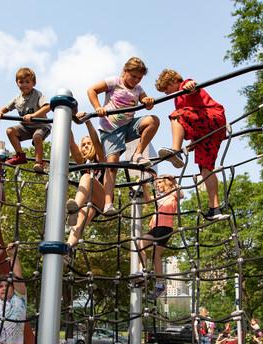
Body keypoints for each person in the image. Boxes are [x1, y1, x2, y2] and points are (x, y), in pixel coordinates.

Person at [87, 57, 161, 216]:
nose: (136, 80)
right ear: (124, 72)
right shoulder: (114, 81)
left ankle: (138, 153)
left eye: (139, 78)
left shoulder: (139, 89)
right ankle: (108, 203)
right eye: (133, 76)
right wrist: (98, 107)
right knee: (112, 164)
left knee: (153, 121)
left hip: (128, 126)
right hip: (111, 129)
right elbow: (91, 90)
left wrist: (148, 101)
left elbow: (147, 103)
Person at [154, 69, 230, 221]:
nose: (166, 93)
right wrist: (191, 144)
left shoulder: (184, 86)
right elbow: (191, 120)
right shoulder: (177, 99)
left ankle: (175, 151)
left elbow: (192, 87)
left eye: (166, 89)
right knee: (205, 167)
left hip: (212, 117)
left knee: (176, 115)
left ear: (172, 82)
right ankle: (214, 208)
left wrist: (190, 85)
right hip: (207, 132)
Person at [0, 67, 51, 172]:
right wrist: (0, 112)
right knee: (10, 131)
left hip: (41, 126)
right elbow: (7, 107)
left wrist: (34, 115)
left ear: (33, 83)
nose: (24, 84)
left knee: (37, 136)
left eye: (27, 82)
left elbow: (47, 106)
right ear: (17, 83)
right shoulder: (18, 98)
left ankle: (39, 162)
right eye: (21, 82)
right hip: (25, 127)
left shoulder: (37, 94)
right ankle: (20, 155)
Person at [65, 114, 107, 252]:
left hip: (103, 200)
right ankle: (68, 249)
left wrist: (87, 121)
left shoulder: (101, 159)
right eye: (83, 145)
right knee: (80, 220)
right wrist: (65, 117)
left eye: (88, 144)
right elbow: (71, 143)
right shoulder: (83, 163)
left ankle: (75, 208)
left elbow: (96, 141)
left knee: (87, 178)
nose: (86, 146)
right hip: (90, 204)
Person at [137, 174, 181, 299]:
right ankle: (149, 276)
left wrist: (174, 181)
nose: (158, 185)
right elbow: (147, 200)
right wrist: (144, 186)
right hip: (155, 228)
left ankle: (151, 277)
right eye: (157, 184)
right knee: (145, 248)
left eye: (160, 183)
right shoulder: (159, 197)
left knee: (148, 248)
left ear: (166, 183)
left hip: (165, 227)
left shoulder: (172, 194)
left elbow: (180, 194)